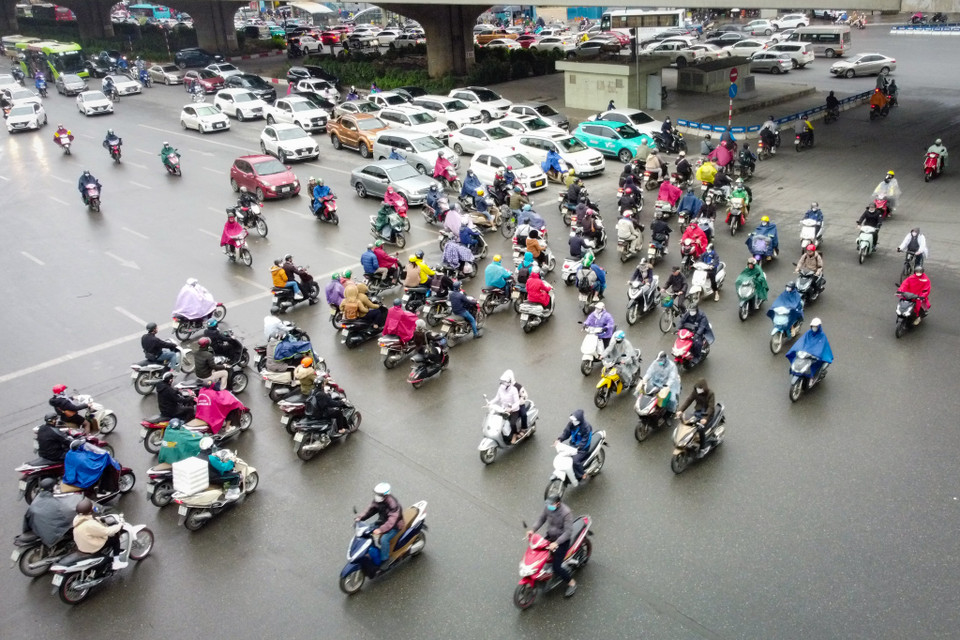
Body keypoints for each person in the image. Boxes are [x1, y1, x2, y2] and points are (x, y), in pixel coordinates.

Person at [527, 492, 577, 597]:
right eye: (548, 504)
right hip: (550, 537)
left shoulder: (566, 513)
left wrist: (556, 543)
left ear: (558, 503)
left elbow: (568, 532)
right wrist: (533, 530)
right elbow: (541, 519)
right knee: (538, 554)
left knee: (556, 567)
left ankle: (572, 583)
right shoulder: (548, 508)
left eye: (551, 504)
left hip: (562, 541)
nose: (549, 506)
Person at [355, 483, 404, 566]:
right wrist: (360, 518)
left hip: (395, 526)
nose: (376, 496)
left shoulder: (393, 505)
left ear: (385, 495)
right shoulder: (378, 500)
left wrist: (380, 530)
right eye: (376, 493)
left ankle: (385, 559)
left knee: (384, 539)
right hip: (383, 521)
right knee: (367, 529)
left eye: (378, 494)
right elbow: (370, 510)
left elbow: (391, 521)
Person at [22, 477, 78, 547]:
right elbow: (67, 514)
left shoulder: (37, 499)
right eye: (55, 486)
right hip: (51, 534)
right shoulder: (55, 504)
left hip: (38, 528)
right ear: (51, 488)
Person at [72, 498, 127, 570]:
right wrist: (119, 526)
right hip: (91, 547)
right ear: (90, 510)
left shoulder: (77, 518)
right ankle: (116, 562)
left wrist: (98, 519)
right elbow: (107, 531)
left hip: (81, 545)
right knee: (115, 539)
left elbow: (89, 520)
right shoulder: (90, 525)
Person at [675, 379, 716, 454]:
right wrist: (680, 410)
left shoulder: (711, 394)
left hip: (707, 415)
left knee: (700, 429)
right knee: (688, 423)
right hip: (698, 412)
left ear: (704, 388)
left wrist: (705, 418)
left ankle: (702, 448)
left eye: (700, 389)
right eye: (697, 389)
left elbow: (710, 408)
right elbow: (689, 400)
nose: (698, 390)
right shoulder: (696, 392)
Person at [556, 409, 593, 482]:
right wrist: (559, 440)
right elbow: (566, 433)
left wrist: (578, 447)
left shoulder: (586, 428)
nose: (573, 421)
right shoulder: (571, 424)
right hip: (573, 445)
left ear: (579, 420)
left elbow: (586, 441)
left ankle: (582, 474)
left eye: (574, 420)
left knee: (575, 461)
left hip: (582, 449)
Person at [491, 369, 523, 442]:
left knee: (512, 423)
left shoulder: (514, 390)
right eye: (501, 382)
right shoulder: (500, 389)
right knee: (497, 421)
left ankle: (514, 435)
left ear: (509, 383)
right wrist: (490, 403)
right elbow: (497, 398)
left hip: (514, 410)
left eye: (504, 382)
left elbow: (517, 402)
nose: (502, 384)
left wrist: (511, 408)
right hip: (503, 409)